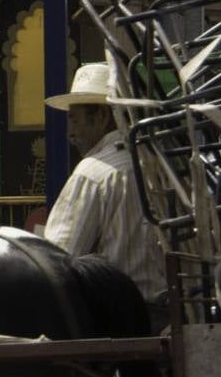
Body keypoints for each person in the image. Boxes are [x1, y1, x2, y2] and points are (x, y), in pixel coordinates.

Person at [42, 61, 168, 329]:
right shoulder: (160, 161)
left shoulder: (94, 173)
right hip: (170, 316)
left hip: (119, 320)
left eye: (74, 120)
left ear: (100, 116)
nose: (70, 133)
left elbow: (58, 262)